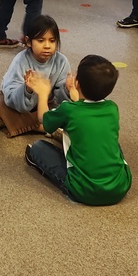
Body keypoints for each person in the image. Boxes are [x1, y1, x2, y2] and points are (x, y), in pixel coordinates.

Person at [24, 54, 130, 206]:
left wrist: (42, 93)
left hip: (83, 191)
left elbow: (44, 120)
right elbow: (85, 113)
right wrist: (77, 99)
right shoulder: (112, 108)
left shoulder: (69, 110)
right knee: (107, 140)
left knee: (38, 147)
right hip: (120, 187)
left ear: (77, 83)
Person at [0, 14, 71, 138]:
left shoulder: (61, 61)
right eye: (41, 40)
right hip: (17, 101)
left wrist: (68, 89)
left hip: (46, 102)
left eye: (52, 41)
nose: (47, 46)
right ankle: (45, 128)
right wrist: (27, 90)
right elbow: (11, 97)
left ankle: (4, 122)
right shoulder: (20, 60)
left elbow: (61, 101)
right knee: (1, 106)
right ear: (28, 41)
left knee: (69, 111)